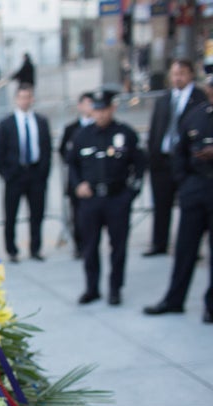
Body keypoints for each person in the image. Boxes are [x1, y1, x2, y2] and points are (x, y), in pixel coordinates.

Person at [67, 88, 146, 306]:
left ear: (112, 108)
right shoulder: (82, 135)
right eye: (96, 110)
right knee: (90, 246)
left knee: (118, 247)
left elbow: (139, 164)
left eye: (104, 110)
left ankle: (115, 288)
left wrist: (132, 192)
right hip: (91, 201)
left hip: (117, 198)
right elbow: (71, 164)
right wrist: (77, 185)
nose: (99, 114)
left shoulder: (125, 133)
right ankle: (92, 288)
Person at [144, 75, 213, 323]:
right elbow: (179, 152)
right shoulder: (196, 116)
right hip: (195, 189)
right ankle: (174, 300)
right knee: (185, 249)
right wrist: (185, 184)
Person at [144, 59, 205, 256]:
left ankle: (190, 249)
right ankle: (159, 243)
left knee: (189, 206)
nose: (177, 77)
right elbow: (155, 130)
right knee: (161, 203)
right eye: (174, 74)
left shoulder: (200, 98)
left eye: (182, 73)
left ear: (190, 74)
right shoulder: (164, 99)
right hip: (162, 160)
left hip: (188, 162)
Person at [0, 84, 52, 262]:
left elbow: (46, 148)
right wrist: (6, 173)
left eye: (28, 97)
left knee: (37, 214)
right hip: (14, 175)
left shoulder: (41, 121)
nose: (25, 100)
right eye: (22, 97)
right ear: (16, 99)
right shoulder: (6, 124)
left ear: (32, 99)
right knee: (11, 214)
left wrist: (43, 172)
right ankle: (11, 250)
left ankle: (35, 248)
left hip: (35, 174)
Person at [59, 91, 96, 258]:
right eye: (86, 103)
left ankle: (92, 245)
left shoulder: (99, 128)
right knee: (77, 216)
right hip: (77, 179)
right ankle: (80, 246)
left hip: (96, 179)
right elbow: (64, 153)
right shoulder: (71, 129)